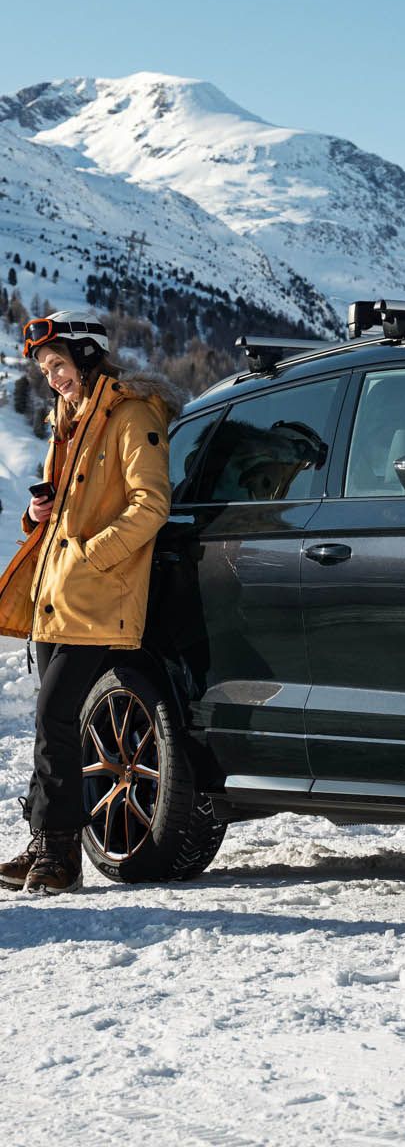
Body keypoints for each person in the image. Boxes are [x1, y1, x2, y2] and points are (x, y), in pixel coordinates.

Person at [0, 313, 180, 895]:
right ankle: (43, 843)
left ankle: (61, 858)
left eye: (58, 365)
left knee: (57, 717)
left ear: (87, 356)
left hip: (97, 596)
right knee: (53, 724)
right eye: (45, 371)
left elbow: (151, 504)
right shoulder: (65, 422)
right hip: (58, 597)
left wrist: (92, 557)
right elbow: (57, 512)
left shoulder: (132, 416)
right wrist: (36, 516)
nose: (52, 378)